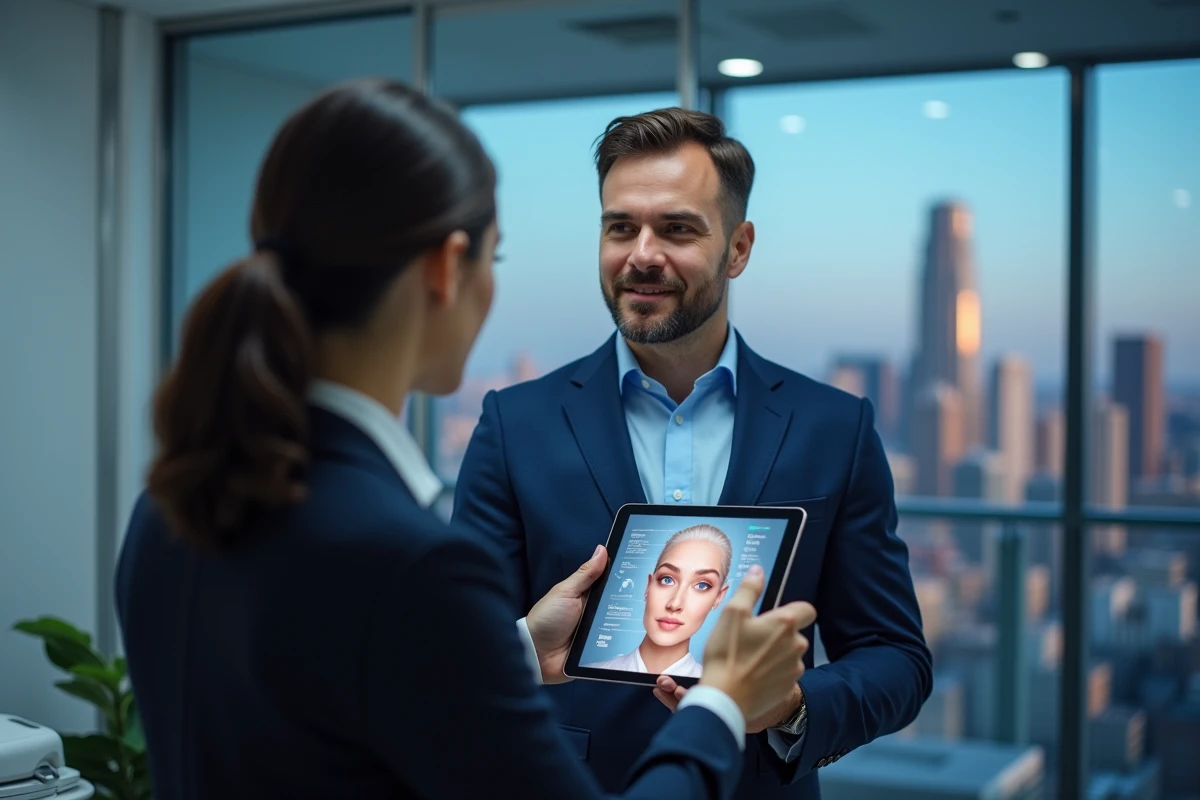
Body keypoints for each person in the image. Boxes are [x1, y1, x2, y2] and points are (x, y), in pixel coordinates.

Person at [113, 80, 820, 800]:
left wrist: (510, 650)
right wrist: (722, 700)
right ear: (449, 267)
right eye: (496, 257)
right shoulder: (410, 562)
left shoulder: (169, 508)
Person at [453, 107, 934, 798]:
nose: (642, 253)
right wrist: (526, 640)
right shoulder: (515, 423)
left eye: (677, 228)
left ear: (738, 248)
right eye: (621, 227)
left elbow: (897, 659)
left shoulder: (835, 427)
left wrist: (791, 706)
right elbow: (453, 651)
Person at [586, 524, 732, 677]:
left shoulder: (724, 694)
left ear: (718, 597)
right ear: (649, 586)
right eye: (667, 580)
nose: (674, 604)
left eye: (702, 585)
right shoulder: (586, 674)